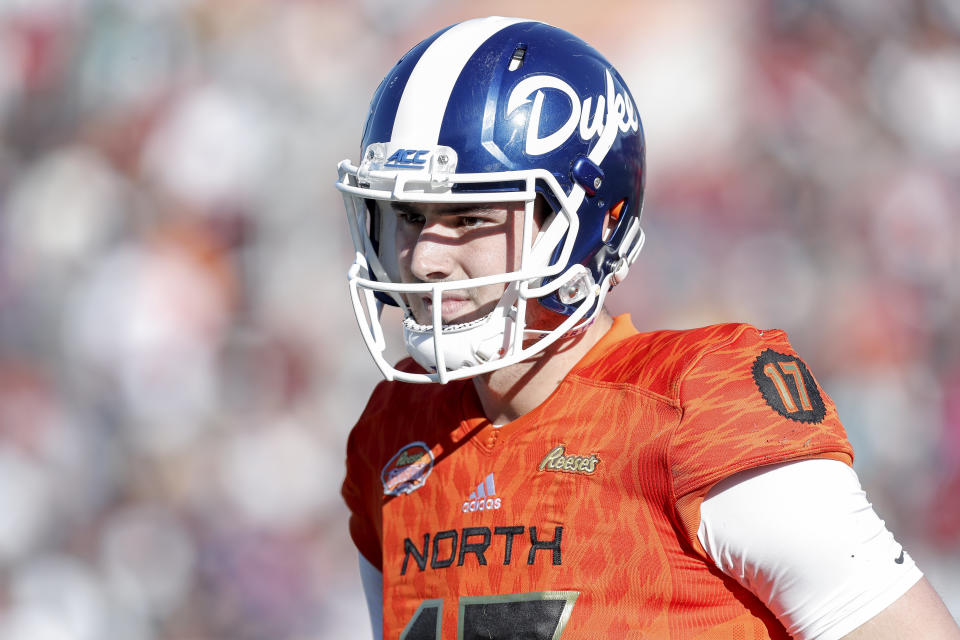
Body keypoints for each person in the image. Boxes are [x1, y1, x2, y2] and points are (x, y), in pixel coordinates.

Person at [336, 16, 959, 640]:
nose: (424, 258)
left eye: (469, 217)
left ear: (582, 223)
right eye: (409, 215)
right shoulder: (396, 429)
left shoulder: (696, 404)